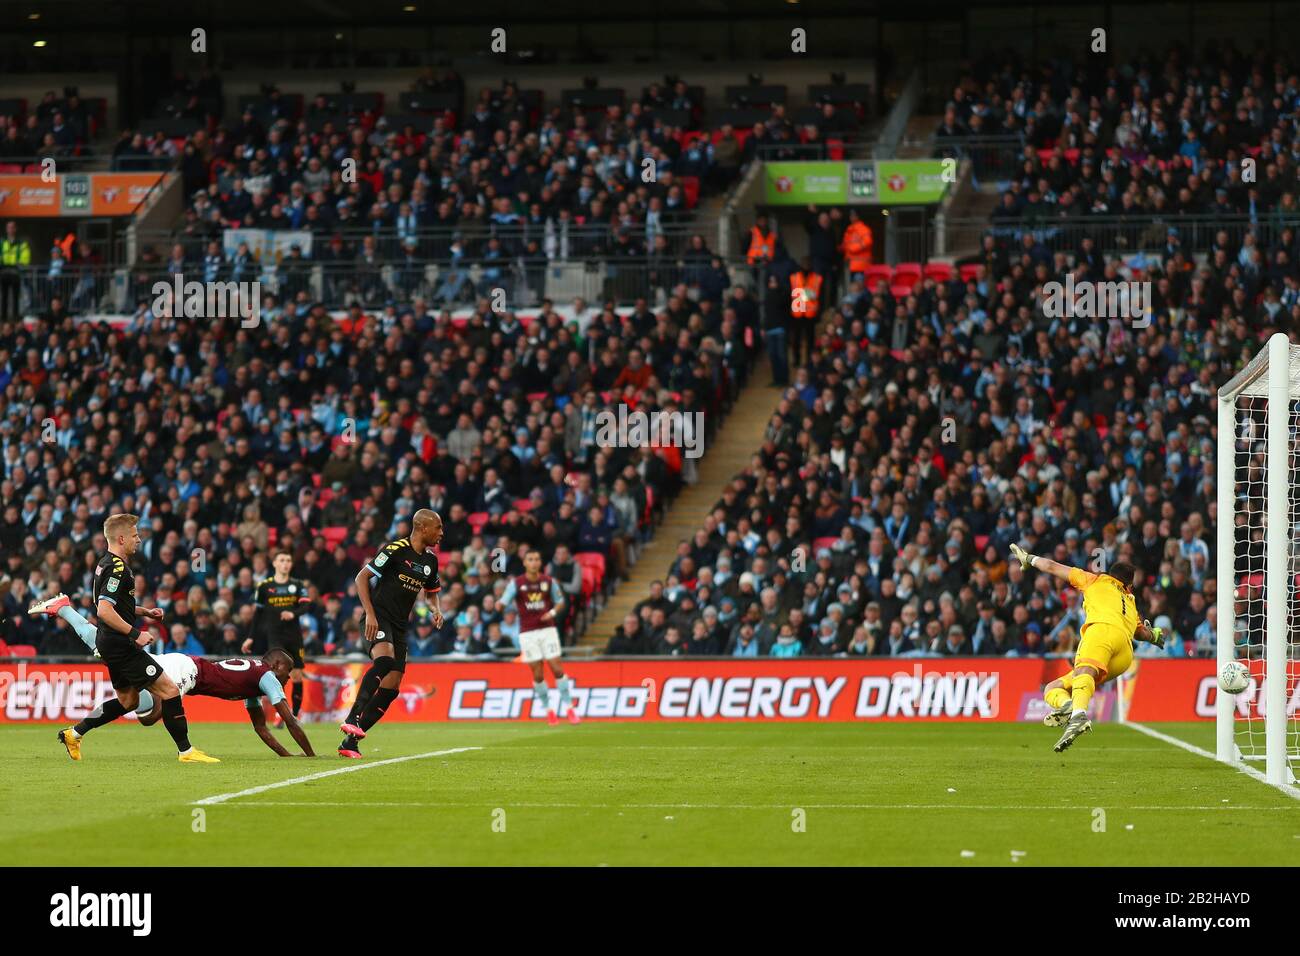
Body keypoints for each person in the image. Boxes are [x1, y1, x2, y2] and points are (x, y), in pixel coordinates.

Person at [47, 513, 218, 762]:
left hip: (110, 643)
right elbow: (104, 610)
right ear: (121, 538)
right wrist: (135, 633)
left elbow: (107, 604)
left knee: (128, 701)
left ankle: (74, 733)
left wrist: (144, 611)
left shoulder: (104, 563)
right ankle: (186, 751)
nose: (138, 540)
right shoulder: (118, 569)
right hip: (120, 644)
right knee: (169, 690)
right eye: (135, 535)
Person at [1009, 544, 1164, 752]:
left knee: (1083, 671)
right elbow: (1142, 633)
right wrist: (1154, 635)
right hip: (1125, 655)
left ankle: (1078, 716)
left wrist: (1029, 559)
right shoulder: (1130, 602)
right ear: (1129, 585)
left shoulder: (1094, 579)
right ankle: (1068, 706)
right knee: (1052, 688)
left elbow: (1052, 567)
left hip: (1101, 633)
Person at [338, 509, 445, 758]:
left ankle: (350, 741)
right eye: (438, 528)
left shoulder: (430, 561)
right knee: (384, 660)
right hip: (379, 616)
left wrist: (435, 609)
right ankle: (353, 714)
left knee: (392, 688)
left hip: (399, 625)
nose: (441, 533)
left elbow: (431, 592)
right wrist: (370, 614)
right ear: (422, 528)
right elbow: (361, 578)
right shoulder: (395, 549)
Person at [500, 549, 579, 725]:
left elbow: (560, 602)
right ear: (525, 563)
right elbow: (504, 601)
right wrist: (499, 604)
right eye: (530, 559)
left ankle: (569, 708)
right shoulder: (517, 583)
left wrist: (551, 613)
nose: (534, 562)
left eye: (537, 559)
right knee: (538, 673)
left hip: (547, 630)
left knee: (557, 668)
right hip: (527, 633)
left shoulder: (548, 581)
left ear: (540, 562)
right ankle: (549, 710)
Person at [241, 550, 311, 717]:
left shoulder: (298, 585)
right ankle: (282, 713)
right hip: (274, 636)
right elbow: (258, 614)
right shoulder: (264, 587)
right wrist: (250, 637)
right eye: (282, 560)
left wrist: (293, 613)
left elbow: (306, 606)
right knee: (277, 674)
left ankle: (294, 714)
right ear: (275, 564)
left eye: (288, 560)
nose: (285, 563)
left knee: (296, 675)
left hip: (294, 636)